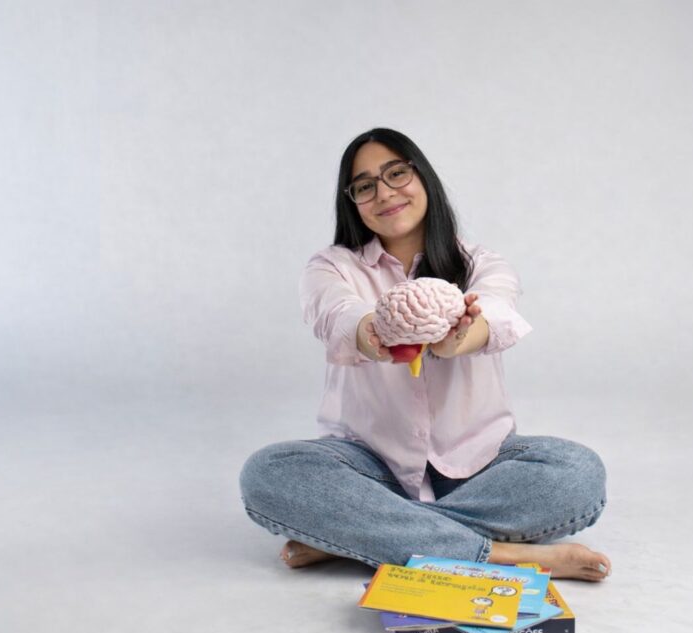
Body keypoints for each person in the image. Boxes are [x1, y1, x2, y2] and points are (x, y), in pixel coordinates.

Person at [239, 128, 611, 581]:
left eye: (396, 173)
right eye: (365, 185)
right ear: (352, 202)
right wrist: (377, 332)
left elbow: (495, 312)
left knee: (577, 471)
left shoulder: (480, 263)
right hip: (369, 467)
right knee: (268, 472)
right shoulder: (332, 267)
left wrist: (458, 337)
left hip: (478, 464)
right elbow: (337, 313)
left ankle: (359, 536)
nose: (384, 193)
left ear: (423, 177)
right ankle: (503, 556)